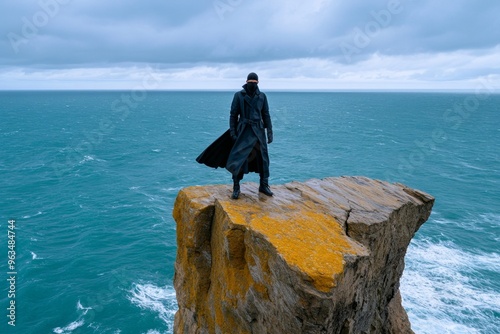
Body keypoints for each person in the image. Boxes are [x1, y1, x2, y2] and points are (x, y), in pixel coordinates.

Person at [195, 72, 274, 199]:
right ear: (246, 81)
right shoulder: (238, 95)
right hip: (243, 131)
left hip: (259, 132)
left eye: (254, 82)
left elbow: (266, 114)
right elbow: (233, 115)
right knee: (239, 159)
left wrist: (269, 132)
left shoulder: (262, 96)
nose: (252, 84)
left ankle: (264, 185)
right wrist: (233, 131)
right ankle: (236, 187)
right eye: (250, 82)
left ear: (258, 83)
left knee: (263, 159)